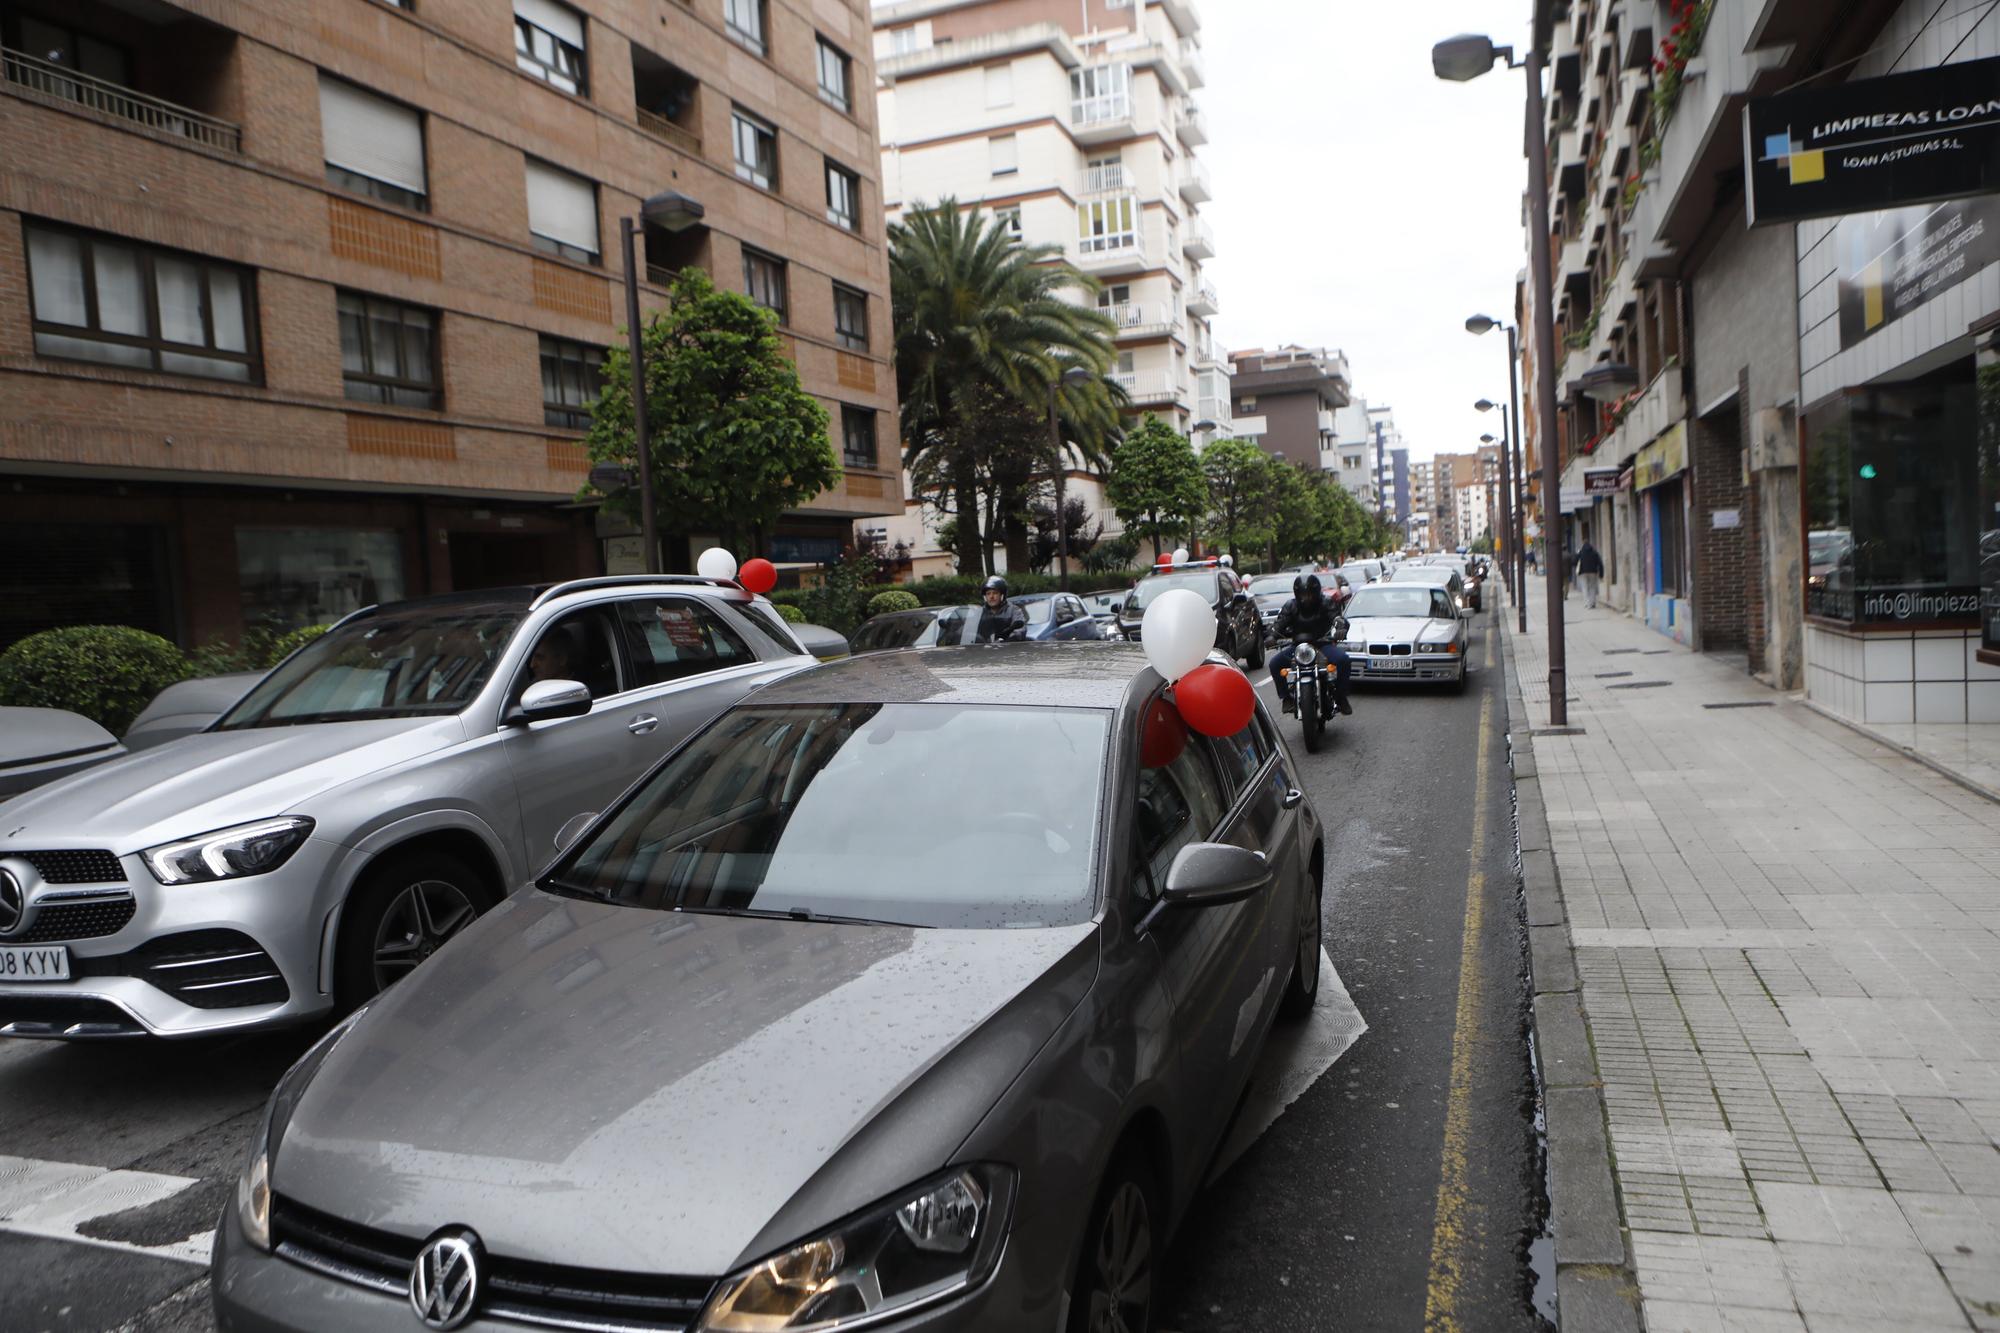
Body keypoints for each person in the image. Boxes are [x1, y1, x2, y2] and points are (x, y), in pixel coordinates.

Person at [1267, 574, 1354, 717]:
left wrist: (1341, 628)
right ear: (1297, 594)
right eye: (1302, 594)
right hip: (1299, 648)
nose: (1306, 598)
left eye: (1309, 594)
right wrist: (1272, 636)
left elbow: (1338, 618)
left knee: (1343, 660)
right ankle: (1286, 698)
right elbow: (1279, 624)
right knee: (1274, 664)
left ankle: (1341, 697)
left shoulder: (1327, 602)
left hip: (1322, 645)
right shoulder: (1291, 606)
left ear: (1316, 592)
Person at [974, 575, 1028, 643]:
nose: (991, 596)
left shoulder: (1013, 610)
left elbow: (1020, 629)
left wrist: (1008, 639)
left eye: (995, 593)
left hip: (1008, 649)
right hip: (984, 650)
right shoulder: (979, 612)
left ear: (1002, 595)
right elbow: (966, 630)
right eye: (988, 594)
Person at [1576, 535, 1605, 609]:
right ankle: (1592, 603)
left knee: (1585, 587)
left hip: (1583, 573)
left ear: (1583, 543)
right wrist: (1601, 574)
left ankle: (1587, 603)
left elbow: (1574, 561)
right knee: (1592, 587)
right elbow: (1600, 563)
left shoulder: (1581, 552)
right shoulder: (1594, 552)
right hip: (1593, 572)